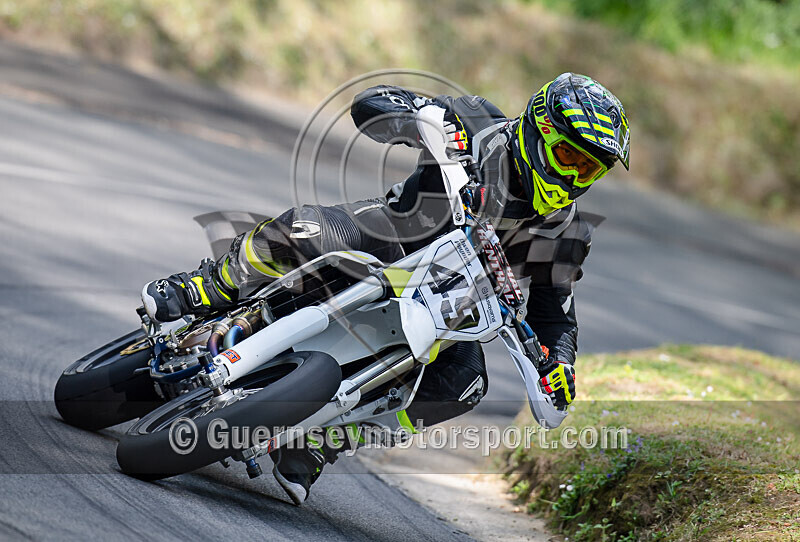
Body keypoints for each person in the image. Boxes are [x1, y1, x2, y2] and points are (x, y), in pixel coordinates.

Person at [141, 72, 630, 504]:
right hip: (383, 237)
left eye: (589, 169)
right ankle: (202, 288)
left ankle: (323, 441)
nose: (573, 176)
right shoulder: (480, 124)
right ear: (538, 129)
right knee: (305, 229)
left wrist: (559, 366)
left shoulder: (566, 233)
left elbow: (555, 316)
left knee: (467, 382)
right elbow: (370, 106)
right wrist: (421, 115)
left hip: (442, 308)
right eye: (569, 156)